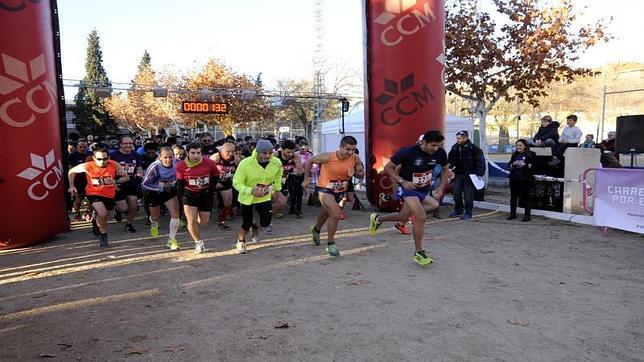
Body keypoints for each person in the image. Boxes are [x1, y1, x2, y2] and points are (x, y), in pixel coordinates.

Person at [368, 130, 449, 266]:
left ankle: (378, 219)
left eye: (438, 146)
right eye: (433, 145)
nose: (436, 149)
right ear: (424, 142)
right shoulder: (408, 152)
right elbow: (388, 168)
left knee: (406, 215)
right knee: (421, 216)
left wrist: (441, 187)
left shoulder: (440, 152)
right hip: (408, 188)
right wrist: (402, 181)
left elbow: (446, 169)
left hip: (423, 189)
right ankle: (419, 252)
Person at [302, 136, 364, 257]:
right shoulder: (327, 157)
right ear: (340, 147)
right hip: (325, 189)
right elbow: (310, 161)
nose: (350, 152)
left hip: (340, 190)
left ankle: (316, 229)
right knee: (336, 213)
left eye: (353, 149)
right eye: (348, 149)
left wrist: (355, 173)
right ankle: (330, 243)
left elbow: (361, 174)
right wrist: (306, 179)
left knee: (326, 213)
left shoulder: (355, 158)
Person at [68, 146, 129, 248]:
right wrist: (71, 185)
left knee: (106, 216)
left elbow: (126, 177)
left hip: (109, 194)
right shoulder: (88, 166)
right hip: (94, 193)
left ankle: (95, 221)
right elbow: (71, 171)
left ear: (109, 157)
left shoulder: (114, 164)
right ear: (94, 158)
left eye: (105, 159)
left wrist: (115, 181)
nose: (102, 161)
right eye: (99, 159)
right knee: (102, 213)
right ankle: (103, 236)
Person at [232, 139, 284, 254]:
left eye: (270, 153)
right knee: (246, 223)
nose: (267, 156)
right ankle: (241, 241)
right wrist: (250, 190)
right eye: (264, 153)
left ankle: (255, 227)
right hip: (247, 198)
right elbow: (236, 182)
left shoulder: (276, 162)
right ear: (257, 151)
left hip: (264, 196)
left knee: (266, 222)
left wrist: (277, 189)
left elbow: (278, 176)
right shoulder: (245, 163)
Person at [176, 142, 219, 254]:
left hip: (205, 194)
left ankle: (198, 220)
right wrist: (180, 199)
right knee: (191, 221)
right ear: (187, 153)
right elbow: (180, 183)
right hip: (189, 194)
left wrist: (211, 190)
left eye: (198, 153)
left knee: (203, 222)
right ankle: (198, 242)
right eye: (193, 153)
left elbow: (215, 177)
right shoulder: (181, 165)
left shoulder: (209, 163)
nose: (196, 156)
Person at [141, 147, 182, 250]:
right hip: (153, 192)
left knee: (175, 214)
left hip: (169, 192)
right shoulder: (154, 167)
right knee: (155, 217)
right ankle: (154, 224)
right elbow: (144, 184)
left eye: (171, 157)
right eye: (165, 157)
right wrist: (160, 187)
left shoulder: (178, 163)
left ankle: (171, 240)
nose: (168, 160)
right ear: (160, 157)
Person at [447, 130, 485, 220]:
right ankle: (458, 209)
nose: (457, 140)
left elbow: (480, 162)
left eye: (459, 138)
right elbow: (451, 159)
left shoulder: (474, 149)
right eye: (457, 138)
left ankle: (468, 212)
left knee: (468, 195)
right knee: (456, 193)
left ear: (465, 138)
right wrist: (449, 168)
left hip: (470, 175)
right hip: (458, 174)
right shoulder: (455, 147)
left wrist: (479, 174)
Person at [110, 136, 143, 233]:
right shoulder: (114, 155)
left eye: (130, 143)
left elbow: (139, 167)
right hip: (118, 184)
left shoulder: (135, 154)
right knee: (124, 208)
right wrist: (113, 184)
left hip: (131, 184)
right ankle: (117, 210)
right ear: (120, 144)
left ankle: (129, 224)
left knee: (133, 206)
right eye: (125, 143)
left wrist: (140, 173)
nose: (128, 145)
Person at [210, 142, 240, 230]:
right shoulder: (216, 157)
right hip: (212, 182)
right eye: (228, 151)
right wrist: (214, 182)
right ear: (222, 151)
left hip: (225, 182)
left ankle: (222, 221)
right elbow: (205, 171)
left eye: (232, 151)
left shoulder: (236, 159)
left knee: (228, 203)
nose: (230, 154)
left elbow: (239, 172)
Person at [507, 139, 536, 222]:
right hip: (514, 179)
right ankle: (512, 214)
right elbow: (509, 165)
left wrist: (525, 165)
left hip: (525, 179)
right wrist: (513, 164)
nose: (518, 147)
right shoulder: (514, 154)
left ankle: (527, 216)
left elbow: (534, 166)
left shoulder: (531, 154)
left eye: (520, 145)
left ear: (525, 146)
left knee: (526, 198)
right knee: (513, 198)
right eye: (517, 145)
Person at [274, 140, 303, 218]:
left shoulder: (296, 156)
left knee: (286, 197)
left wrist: (297, 169)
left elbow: (300, 171)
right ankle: (273, 211)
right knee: (279, 198)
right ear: (282, 149)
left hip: (288, 178)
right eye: (288, 152)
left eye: (292, 152)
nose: (291, 154)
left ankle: (291, 207)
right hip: (275, 179)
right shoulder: (276, 155)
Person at [68, 139, 91, 222]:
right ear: (77, 147)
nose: (82, 148)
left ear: (87, 147)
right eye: (80, 147)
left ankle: (88, 213)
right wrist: (71, 183)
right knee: (78, 200)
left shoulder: (90, 155)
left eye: (85, 147)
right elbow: (70, 170)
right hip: (77, 181)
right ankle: (77, 214)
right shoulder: (72, 156)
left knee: (91, 199)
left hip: (89, 181)